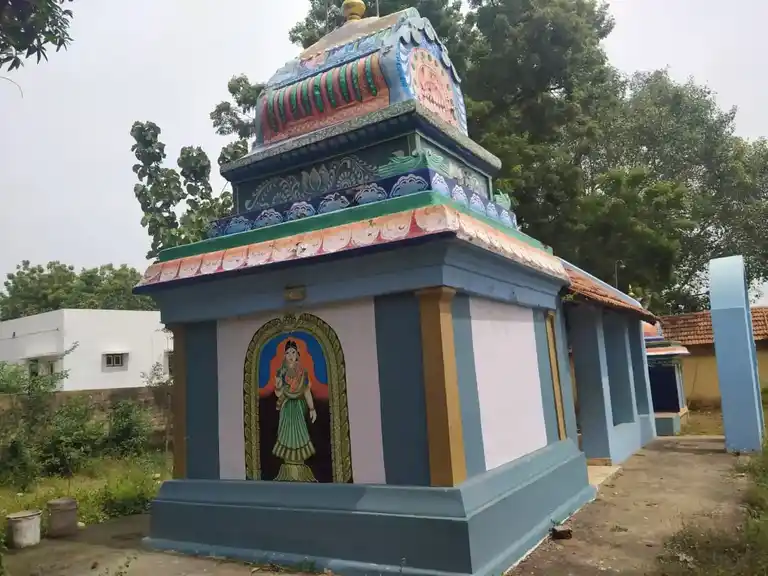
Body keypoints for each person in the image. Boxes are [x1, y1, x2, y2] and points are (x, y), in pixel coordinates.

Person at [272, 339, 318, 482]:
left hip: (298, 407)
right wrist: (279, 386)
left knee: (299, 433)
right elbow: (279, 394)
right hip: (286, 408)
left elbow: (306, 392)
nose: (290, 355)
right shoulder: (281, 372)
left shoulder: (302, 373)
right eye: (287, 353)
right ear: (284, 356)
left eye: (293, 352)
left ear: (297, 354)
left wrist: (312, 408)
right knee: (286, 433)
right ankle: (288, 469)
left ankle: (300, 468)